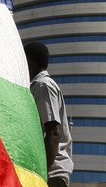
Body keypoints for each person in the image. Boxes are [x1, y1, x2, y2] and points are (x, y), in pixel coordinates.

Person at [23, 41, 73, 187]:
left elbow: (54, 133)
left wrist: (42, 174)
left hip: (51, 174)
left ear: (29, 61)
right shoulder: (38, 85)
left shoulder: (43, 85)